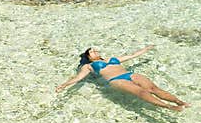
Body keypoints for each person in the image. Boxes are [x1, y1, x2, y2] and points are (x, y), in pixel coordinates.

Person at [55, 45, 189, 111]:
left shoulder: (112, 59)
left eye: (96, 50)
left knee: (153, 88)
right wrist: (64, 85)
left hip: (129, 74)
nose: (96, 52)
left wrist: (146, 49)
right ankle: (167, 107)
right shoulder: (89, 66)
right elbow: (78, 78)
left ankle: (179, 102)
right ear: (88, 57)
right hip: (116, 80)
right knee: (141, 92)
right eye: (92, 52)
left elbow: (132, 56)